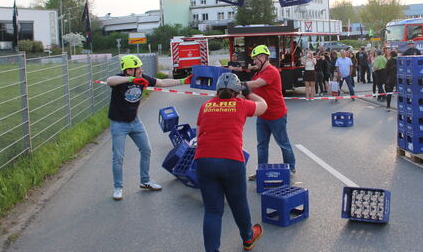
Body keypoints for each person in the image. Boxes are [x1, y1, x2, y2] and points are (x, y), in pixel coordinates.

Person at [195, 72, 266, 252]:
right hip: (231, 160)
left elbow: (198, 134)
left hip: (204, 159)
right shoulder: (241, 104)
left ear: (217, 90)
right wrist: (249, 93)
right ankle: (248, 238)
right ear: (237, 91)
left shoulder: (205, 106)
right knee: (238, 203)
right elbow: (263, 106)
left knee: (213, 210)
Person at [106, 55, 190, 200]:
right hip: (118, 124)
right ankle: (118, 188)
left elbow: (162, 82)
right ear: (128, 70)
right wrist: (131, 80)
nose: (141, 70)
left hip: (135, 122)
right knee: (118, 157)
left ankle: (145, 181)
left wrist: (182, 81)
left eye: (140, 67)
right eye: (137, 68)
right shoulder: (120, 78)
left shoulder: (143, 77)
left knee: (146, 150)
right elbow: (109, 81)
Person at [245, 45, 296, 179]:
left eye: (255, 59)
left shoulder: (271, 71)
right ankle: (261, 171)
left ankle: (290, 168)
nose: (254, 62)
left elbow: (256, 84)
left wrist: (239, 84)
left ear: (263, 57)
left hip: (276, 115)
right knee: (262, 145)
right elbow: (250, 91)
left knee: (283, 143)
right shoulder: (258, 73)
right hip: (262, 115)